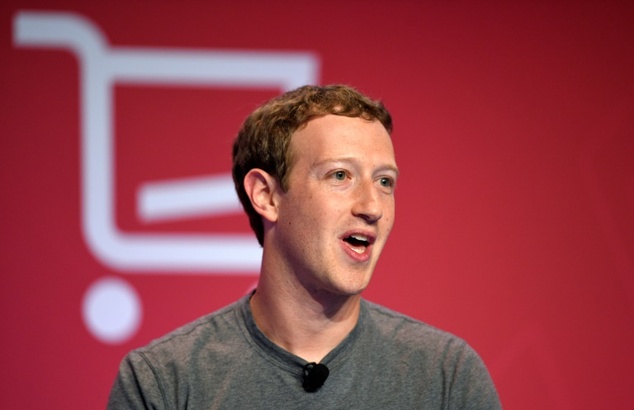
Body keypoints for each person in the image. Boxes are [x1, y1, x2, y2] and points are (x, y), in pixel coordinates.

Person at [107, 84, 501, 409]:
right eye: (340, 175)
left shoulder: (447, 378)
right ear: (267, 196)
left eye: (385, 182)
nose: (371, 207)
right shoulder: (162, 383)